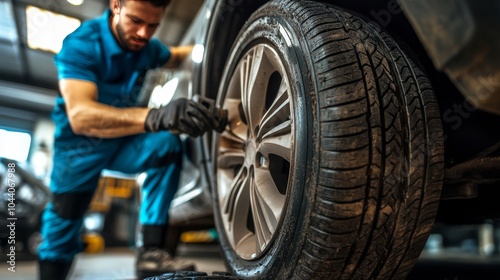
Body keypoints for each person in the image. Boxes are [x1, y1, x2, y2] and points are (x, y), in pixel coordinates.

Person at [37, 0, 225, 279]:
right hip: (80, 150)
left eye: (153, 25)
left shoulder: (147, 49)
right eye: (136, 21)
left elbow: (177, 56)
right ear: (116, 6)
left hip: (122, 143)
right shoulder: (81, 44)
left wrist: (218, 49)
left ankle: (150, 254)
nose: (143, 34)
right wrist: (156, 117)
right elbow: (81, 116)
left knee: (167, 146)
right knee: (63, 227)